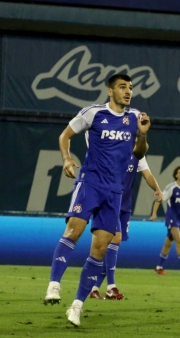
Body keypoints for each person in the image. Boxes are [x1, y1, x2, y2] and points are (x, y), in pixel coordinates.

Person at [43, 73, 150, 328]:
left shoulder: (136, 117)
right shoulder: (93, 113)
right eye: (122, 87)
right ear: (110, 91)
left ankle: (77, 306)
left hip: (115, 191)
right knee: (74, 231)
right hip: (90, 183)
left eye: (130, 87)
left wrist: (143, 134)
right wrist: (66, 159)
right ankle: (54, 284)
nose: (128, 91)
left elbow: (139, 153)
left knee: (100, 249)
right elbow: (64, 136)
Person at [89, 154, 162, 300]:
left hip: (125, 205)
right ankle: (111, 287)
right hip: (110, 202)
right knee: (115, 239)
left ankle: (94, 287)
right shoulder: (114, 149)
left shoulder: (138, 155)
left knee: (111, 247)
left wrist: (157, 189)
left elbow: (147, 174)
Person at [151, 166, 180, 275]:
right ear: (176, 175)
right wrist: (154, 213)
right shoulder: (171, 187)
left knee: (168, 242)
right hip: (171, 218)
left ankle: (159, 267)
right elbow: (159, 199)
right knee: (179, 241)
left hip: (179, 218)